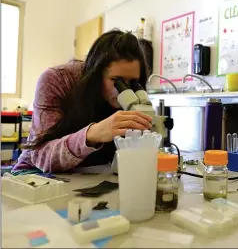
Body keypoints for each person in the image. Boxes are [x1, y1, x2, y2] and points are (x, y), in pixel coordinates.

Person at [12, 30, 153, 174]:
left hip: (90, 174)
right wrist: (92, 134)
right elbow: (41, 157)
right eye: (117, 81)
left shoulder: (132, 96)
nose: (125, 91)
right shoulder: (57, 80)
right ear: (96, 74)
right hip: (36, 174)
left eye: (133, 82)